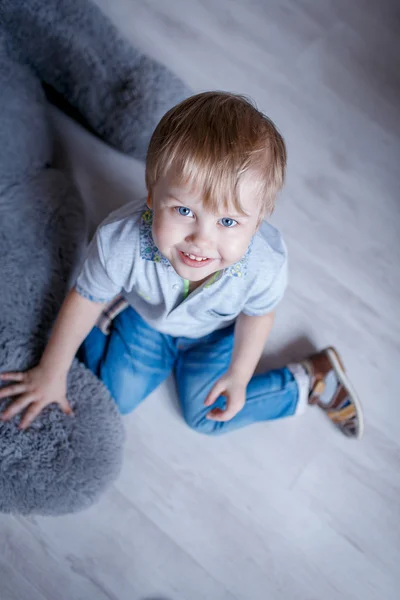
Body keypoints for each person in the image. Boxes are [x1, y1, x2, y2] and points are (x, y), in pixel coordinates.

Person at [0, 91, 363, 438]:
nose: (201, 240)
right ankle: (108, 323)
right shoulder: (119, 242)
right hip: (147, 320)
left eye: (228, 222)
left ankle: (310, 380)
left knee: (207, 416)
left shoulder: (266, 263)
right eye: (184, 211)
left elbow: (259, 314)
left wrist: (240, 373)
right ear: (152, 193)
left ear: (260, 220)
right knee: (116, 399)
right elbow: (85, 297)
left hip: (217, 331)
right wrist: (52, 369)